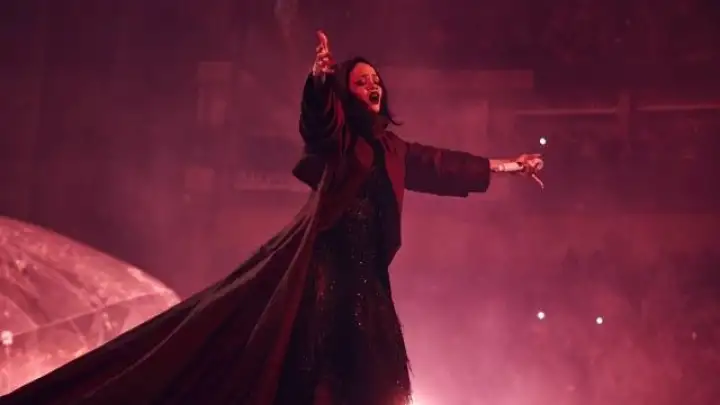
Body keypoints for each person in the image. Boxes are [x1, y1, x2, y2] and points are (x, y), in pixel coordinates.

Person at [0, 31, 543, 405]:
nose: (373, 84)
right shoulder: (340, 139)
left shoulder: (395, 150)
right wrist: (318, 79)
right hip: (325, 272)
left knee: (377, 379)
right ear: (345, 93)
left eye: (376, 79)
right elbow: (318, 121)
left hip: (369, 281)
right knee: (321, 369)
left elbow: (443, 165)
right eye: (360, 80)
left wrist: (510, 166)